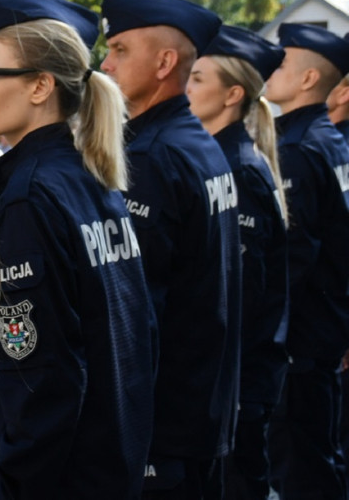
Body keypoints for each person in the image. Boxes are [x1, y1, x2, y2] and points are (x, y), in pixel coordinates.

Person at [0, 0, 155, 499]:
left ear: (40, 86)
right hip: (108, 464)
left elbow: (40, 381)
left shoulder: (29, 198)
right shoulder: (90, 178)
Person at [99, 0, 240, 499]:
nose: (105, 63)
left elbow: (140, 310)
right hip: (202, 410)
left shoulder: (152, 157)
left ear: (164, 62)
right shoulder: (198, 142)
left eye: (119, 49)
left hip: (164, 421)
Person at [186, 25, 290, 499]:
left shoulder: (236, 167)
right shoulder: (222, 156)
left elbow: (241, 293)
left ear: (232, 95)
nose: (186, 89)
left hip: (241, 380)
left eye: (198, 79)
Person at [262, 23, 349, 499]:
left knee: (301, 468)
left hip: (299, 337)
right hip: (325, 329)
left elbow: (291, 259)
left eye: (282, 61)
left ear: (309, 79)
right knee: (320, 454)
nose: (270, 68)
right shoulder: (329, 137)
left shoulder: (295, 149)